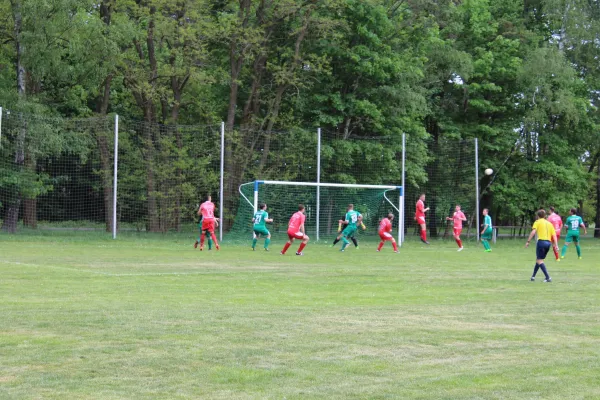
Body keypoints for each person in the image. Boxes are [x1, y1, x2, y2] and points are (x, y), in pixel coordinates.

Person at [526, 209, 556, 282]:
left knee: (539, 260)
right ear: (545, 215)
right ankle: (533, 276)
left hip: (541, 242)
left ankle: (548, 277)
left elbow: (533, 232)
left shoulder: (537, 222)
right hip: (548, 243)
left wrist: (528, 241)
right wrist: (556, 245)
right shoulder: (549, 223)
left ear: (538, 216)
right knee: (539, 259)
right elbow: (554, 235)